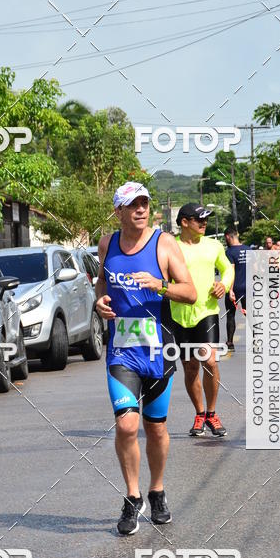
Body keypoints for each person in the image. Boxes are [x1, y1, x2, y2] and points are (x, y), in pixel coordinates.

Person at [96, 182, 197, 536]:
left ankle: (157, 490)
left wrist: (160, 285)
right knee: (126, 424)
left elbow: (190, 292)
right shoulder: (107, 244)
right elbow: (102, 285)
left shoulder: (164, 244)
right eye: (132, 204)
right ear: (118, 212)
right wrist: (100, 303)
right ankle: (131, 496)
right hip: (121, 351)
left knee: (155, 427)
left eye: (145, 203)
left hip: (159, 351)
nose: (140, 209)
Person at [169, 202, 234, 437]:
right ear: (184, 222)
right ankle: (199, 413)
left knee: (209, 361)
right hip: (179, 314)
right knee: (190, 367)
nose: (204, 223)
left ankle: (212, 412)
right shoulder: (171, 247)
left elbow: (228, 268)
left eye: (206, 219)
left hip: (207, 312)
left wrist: (223, 285)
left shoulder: (213, 246)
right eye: (199, 220)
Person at [224, 227, 249, 351]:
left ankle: (230, 342)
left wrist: (230, 290)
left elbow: (231, 271)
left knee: (230, 315)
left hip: (236, 288)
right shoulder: (249, 250)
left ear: (228, 236)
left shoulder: (229, 252)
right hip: (249, 288)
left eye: (225, 238)